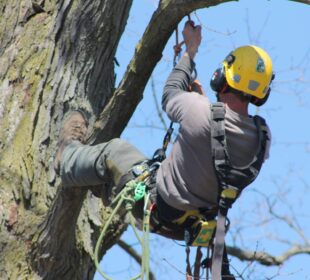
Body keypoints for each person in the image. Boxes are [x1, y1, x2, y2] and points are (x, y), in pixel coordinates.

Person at [54, 20, 273, 242]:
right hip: (188, 226)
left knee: (115, 151)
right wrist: (202, 103)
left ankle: (66, 159)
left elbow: (170, 93)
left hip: (155, 206)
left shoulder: (199, 111)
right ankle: (101, 186)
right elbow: (218, 150)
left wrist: (190, 50)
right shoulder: (262, 139)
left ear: (223, 76)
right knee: (119, 173)